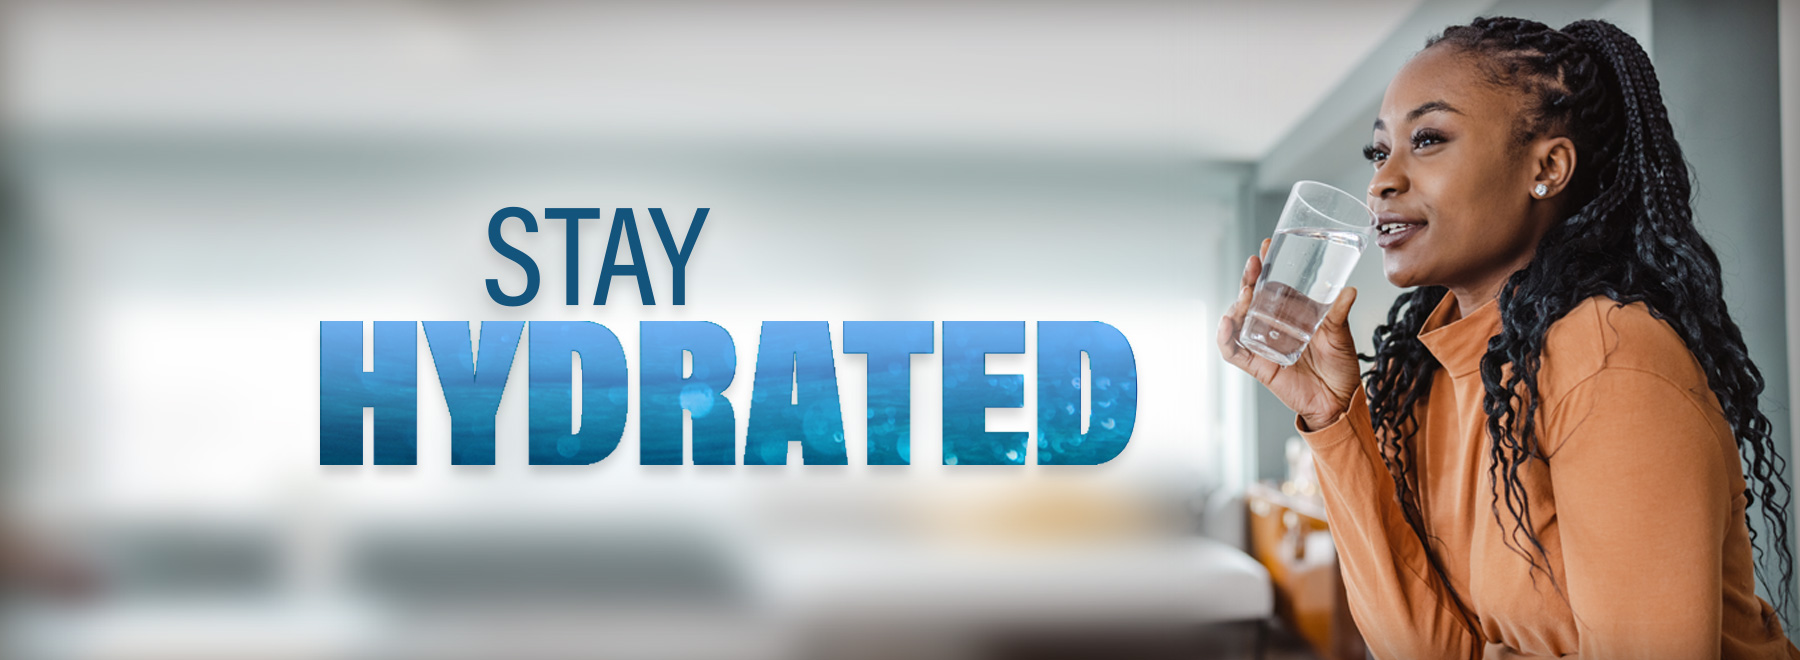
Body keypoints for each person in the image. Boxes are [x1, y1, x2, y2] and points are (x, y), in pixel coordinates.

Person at [1216, 16, 1800, 660]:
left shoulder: (1611, 356)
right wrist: (1330, 417)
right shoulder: (1433, 373)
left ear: (1546, 167)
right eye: (1380, 152)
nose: (1381, 181)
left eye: (1429, 139)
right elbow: (1418, 648)